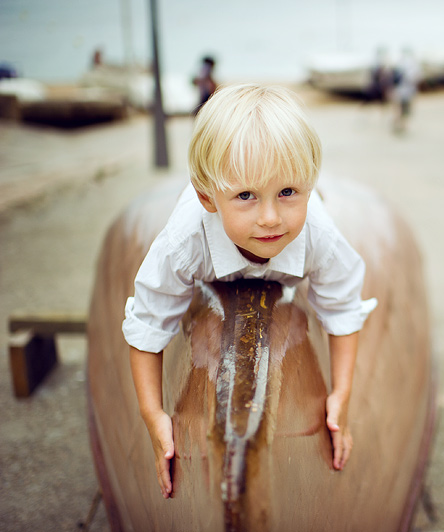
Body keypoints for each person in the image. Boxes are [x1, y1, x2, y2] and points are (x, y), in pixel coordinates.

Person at [122, 83, 376, 499]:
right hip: (206, 239)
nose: (271, 218)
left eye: (288, 192)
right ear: (208, 198)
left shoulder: (319, 236)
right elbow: (147, 325)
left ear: (310, 185)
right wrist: (153, 415)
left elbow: (343, 308)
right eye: (246, 196)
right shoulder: (183, 243)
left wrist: (342, 395)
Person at [392, 48, 420, 134]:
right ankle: (402, 125)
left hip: (400, 91)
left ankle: (399, 125)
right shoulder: (413, 64)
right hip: (407, 91)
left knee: (400, 109)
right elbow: (416, 78)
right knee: (405, 109)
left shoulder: (399, 63)